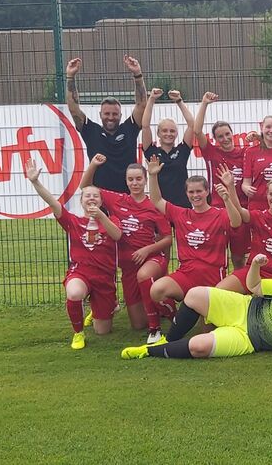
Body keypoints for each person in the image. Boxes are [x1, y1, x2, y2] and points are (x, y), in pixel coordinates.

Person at [120, 254, 272, 361]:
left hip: (249, 339)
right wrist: (256, 265)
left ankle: (149, 351)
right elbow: (253, 286)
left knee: (198, 347)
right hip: (242, 308)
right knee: (194, 294)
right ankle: (167, 340)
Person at [25, 158, 122, 350]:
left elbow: (117, 235)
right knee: (75, 292)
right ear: (81, 201)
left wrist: (101, 216)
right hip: (81, 273)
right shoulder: (73, 221)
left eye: (95, 196)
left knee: (103, 331)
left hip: (104, 278)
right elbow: (52, 202)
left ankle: (103, 306)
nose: (91, 198)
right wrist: (35, 182)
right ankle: (78, 333)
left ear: (101, 201)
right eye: (87, 196)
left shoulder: (112, 220)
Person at [80, 154, 173, 343]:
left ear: (145, 180)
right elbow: (85, 187)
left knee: (144, 276)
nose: (135, 183)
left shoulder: (154, 205)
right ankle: (159, 305)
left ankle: (166, 319)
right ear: (126, 181)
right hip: (128, 268)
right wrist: (93, 165)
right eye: (131, 179)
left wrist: (147, 250)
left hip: (151, 259)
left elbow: (168, 239)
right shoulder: (117, 200)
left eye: (138, 179)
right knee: (138, 324)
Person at [147, 156, 242, 310]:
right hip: (186, 274)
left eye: (199, 191)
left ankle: (191, 309)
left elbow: (236, 222)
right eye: (191, 192)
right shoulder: (180, 214)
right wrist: (152, 176)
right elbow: (156, 201)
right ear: (186, 193)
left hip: (212, 277)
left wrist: (227, 199)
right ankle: (175, 314)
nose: (195, 195)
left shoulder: (220, 214)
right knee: (157, 290)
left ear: (207, 192)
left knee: (205, 321)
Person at [194, 91, 259, 269]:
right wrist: (204, 103)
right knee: (216, 254)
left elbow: (267, 148)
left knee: (238, 258)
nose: (225, 139)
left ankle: (239, 284)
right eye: (220, 136)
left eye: (227, 134)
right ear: (215, 139)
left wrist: (258, 137)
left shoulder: (245, 153)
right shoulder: (211, 152)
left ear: (232, 134)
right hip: (218, 210)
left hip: (240, 209)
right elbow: (197, 131)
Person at [65, 55, 146, 193]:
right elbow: (73, 108)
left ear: (120, 115)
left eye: (115, 114)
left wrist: (137, 74)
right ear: (100, 115)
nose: (110, 117)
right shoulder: (91, 131)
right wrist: (70, 77)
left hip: (127, 196)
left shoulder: (129, 129)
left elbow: (142, 105)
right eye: (107, 114)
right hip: (100, 197)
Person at [216, 176, 272, 293]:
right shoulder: (258, 216)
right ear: (267, 194)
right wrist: (230, 186)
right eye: (271, 194)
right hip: (254, 271)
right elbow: (239, 210)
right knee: (219, 291)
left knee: (270, 304)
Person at [141, 88, 195, 208]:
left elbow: (192, 125)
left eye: (172, 131)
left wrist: (179, 101)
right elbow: (145, 125)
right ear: (158, 133)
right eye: (164, 131)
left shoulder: (182, 151)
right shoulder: (152, 152)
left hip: (181, 207)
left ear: (176, 134)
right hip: (159, 207)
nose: (168, 134)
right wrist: (151, 99)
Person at [242, 115, 272, 211]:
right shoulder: (250, 152)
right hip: (257, 206)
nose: (271, 130)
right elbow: (245, 183)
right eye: (268, 127)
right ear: (262, 128)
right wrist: (246, 188)